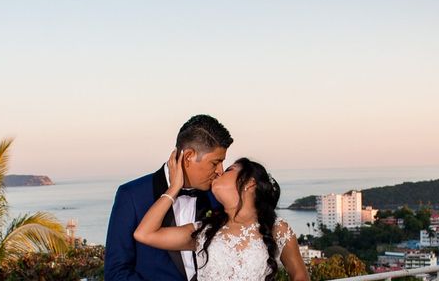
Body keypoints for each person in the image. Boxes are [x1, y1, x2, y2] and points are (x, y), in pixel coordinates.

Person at [134, 152, 310, 281]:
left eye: (229, 170)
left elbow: (300, 276)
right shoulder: (204, 231)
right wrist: (174, 188)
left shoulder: (277, 228)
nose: (219, 172)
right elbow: (144, 234)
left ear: (250, 183)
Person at [104, 114, 234, 280]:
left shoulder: (218, 196)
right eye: (215, 163)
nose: (220, 171)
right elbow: (116, 272)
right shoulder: (131, 195)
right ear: (188, 157)